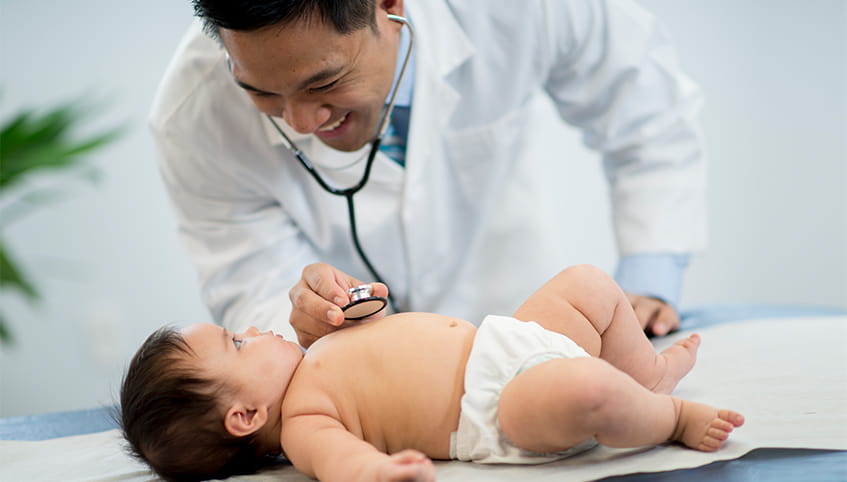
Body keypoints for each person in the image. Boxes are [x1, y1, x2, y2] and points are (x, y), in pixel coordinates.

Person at [151, 0, 706, 347]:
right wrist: (301, 315)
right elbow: (255, 287)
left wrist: (649, 273)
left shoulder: (513, 10)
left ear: (390, 5)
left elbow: (645, 109)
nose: (298, 122)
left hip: (528, 324)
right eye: (262, 92)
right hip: (371, 389)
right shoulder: (192, 116)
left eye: (323, 84)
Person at [120, 265, 743, 481]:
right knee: (587, 391)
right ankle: (669, 416)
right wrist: (381, 472)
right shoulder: (304, 426)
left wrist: (361, 306)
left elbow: (388, 333)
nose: (255, 329)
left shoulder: (314, 356)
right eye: (236, 341)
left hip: (508, 339)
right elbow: (345, 464)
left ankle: (648, 372)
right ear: (245, 415)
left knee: (589, 284)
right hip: (502, 405)